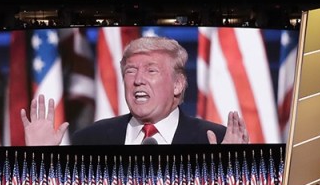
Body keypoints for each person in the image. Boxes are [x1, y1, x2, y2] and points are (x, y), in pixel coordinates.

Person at [21, 37, 248, 146]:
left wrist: (231, 169)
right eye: (131, 71)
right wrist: (41, 157)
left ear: (178, 84)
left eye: (151, 71)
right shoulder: (89, 140)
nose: (138, 80)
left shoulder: (216, 140)